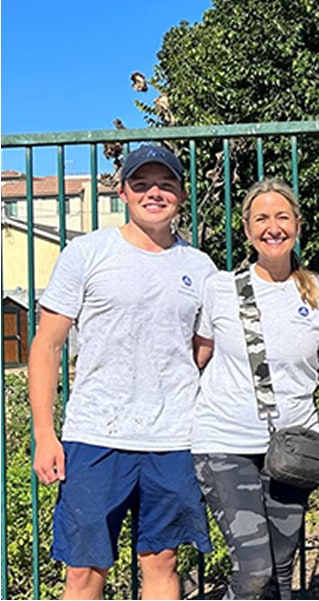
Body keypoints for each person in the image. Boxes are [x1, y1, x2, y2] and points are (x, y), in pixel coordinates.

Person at [28, 144, 216, 600]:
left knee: (162, 562)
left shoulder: (200, 267)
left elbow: (202, 347)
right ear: (124, 192)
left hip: (172, 438)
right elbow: (46, 345)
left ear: (181, 194)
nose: (155, 192)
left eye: (166, 183)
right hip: (95, 436)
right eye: (142, 183)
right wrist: (45, 434)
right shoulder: (87, 253)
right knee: (83, 571)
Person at [191, 178, 319, 599]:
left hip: (292, 447)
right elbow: (196, 356)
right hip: (224, 442)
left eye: (282, 216)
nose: (273, 226)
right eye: (261, 218)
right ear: (246, 229)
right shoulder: (220, 289)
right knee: (255, 569)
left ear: (298, 225)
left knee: (281, 569)